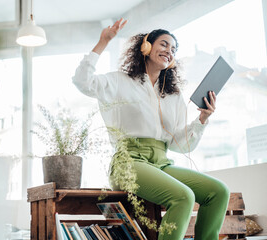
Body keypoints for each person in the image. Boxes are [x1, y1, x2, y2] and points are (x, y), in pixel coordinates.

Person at [72, 18, 230, 240]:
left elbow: (178, 144)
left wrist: (202, 119)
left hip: (161, 163)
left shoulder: (173, 96)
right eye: (164, 44)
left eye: (173, 49)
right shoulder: (119, 81)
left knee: (218, 192)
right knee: (183, 196)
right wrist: (103, 41)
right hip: (128, 162)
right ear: (146, 47)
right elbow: (82, 81)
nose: (169, 51)